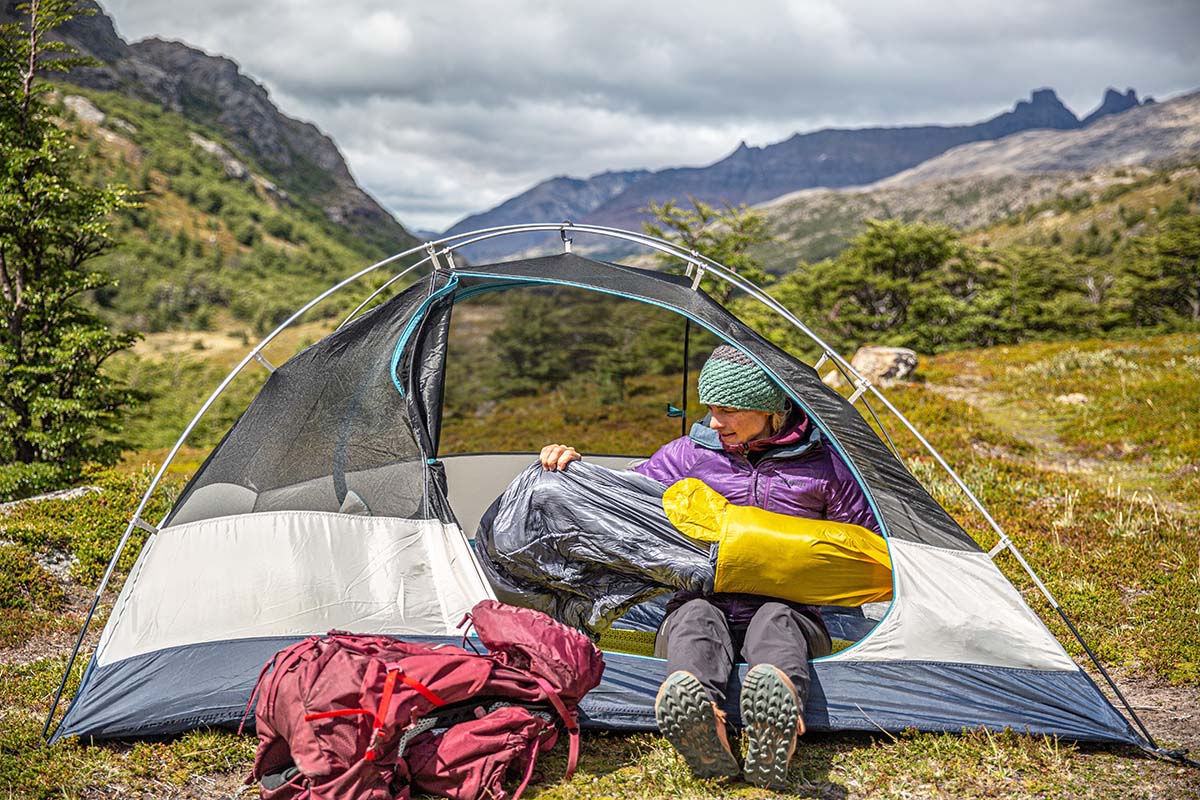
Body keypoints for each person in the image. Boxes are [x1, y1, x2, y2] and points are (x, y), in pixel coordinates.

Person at [539, 344, 879, 790]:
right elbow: (624, 498)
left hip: (795, 611)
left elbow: (866, 546)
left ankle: (775, 713)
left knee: (776, 619)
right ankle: (700, 715)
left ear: (770, 409)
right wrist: (576, 467)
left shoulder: (827, 466)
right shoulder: (687, 456)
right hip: (701, 601)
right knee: (695, 617)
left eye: (728, 410)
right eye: (711, 409)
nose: (714, 422)